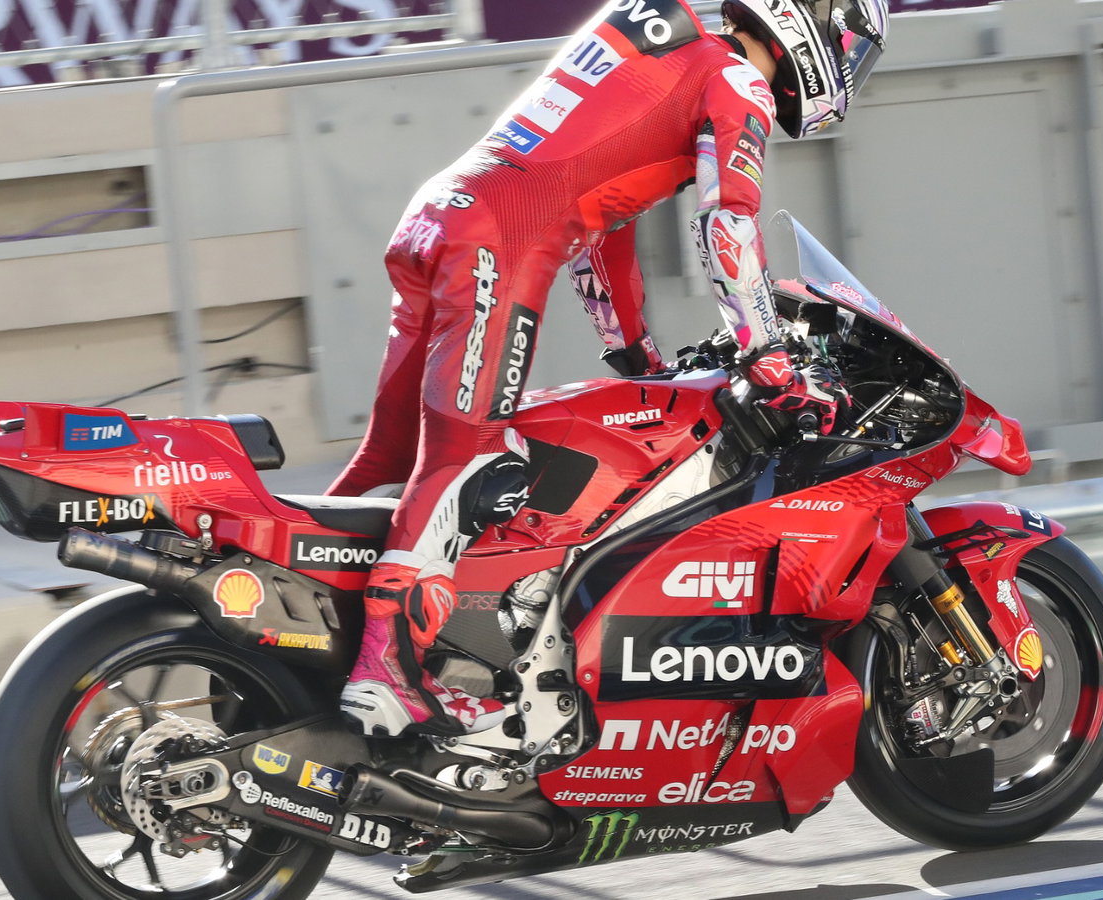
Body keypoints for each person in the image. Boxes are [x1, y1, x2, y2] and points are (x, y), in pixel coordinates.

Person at [330, 0, 890, 738]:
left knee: (393, 455)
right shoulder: (735, 77)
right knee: (469, 463)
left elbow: (605, 225)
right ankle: (385, 671)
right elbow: (727, 220)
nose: (847, 66)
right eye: (851, 46)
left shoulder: (674, 45)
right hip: (500, 240)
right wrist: (766, 352)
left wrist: (636, 358)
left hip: (439, 216)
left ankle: (310, 625)